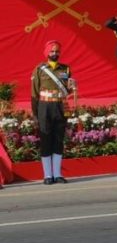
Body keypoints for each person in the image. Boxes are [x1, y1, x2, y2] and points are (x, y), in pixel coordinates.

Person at [31, 40, 74, 185]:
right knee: (46, 139)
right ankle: (48, 175)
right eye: (52, 51)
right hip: (44, 107)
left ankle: (57, 174)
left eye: (57, 51)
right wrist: (35, 114)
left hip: (60, 107)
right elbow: (34, 93)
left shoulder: (66, 69)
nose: (54, 54)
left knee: (58, 139)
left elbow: (68, 90)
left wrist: (73, 88)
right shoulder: (39, 69)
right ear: (47, 53)